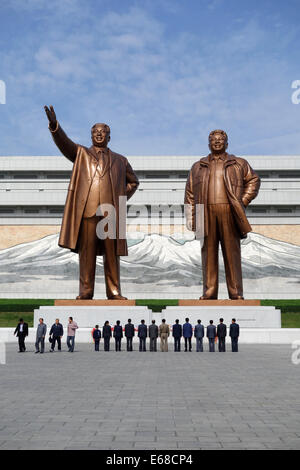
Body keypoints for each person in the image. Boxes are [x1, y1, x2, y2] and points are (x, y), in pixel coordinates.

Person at [44, 105, 139, 300]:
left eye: (103, 132)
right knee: (86, 254)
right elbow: (65, 143)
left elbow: (134, 182)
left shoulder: (121, 160)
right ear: (91, 136)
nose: (99, 134)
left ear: (109, 137)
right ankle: (86, 291)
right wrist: (55, 126)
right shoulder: (81, 154)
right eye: (95, 131)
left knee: (112, 255)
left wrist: (120, 196)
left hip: (110, 213)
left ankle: (114, 291)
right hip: (87, 212)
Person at [185, 129, 260, 299]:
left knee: (232, 253)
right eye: (214, 140)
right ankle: (209, 292)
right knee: (208, 254)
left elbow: (254, 180)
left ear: (227, 143)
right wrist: (192, 219)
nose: (217, 142)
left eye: (220, 140)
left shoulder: (238, 163)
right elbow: (189, 194)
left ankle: (235, 293)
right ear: (209, 143)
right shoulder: (198, 166)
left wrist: (242, 201)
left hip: (229, 212)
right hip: (205, 213)